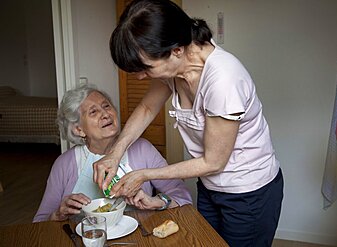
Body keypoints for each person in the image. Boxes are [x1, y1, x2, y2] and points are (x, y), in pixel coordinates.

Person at [94, 0, 283, 246]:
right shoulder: (175, 69)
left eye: (146, 68)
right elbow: (147, 107)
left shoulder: (223, 80)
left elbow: (213, 162)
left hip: (249, 192)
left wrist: (143, 175)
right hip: (210, 186)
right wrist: (114, 154)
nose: (140, 76)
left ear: (177, 50)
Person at [33, 84, 192, 222]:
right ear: (79, 129)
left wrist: (156, 201)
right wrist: (58, 214)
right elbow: (40, 221)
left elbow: (183, 197)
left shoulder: (143, 149)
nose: (105, 114)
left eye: (106, 106)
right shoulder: (64, 163)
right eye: (93, 112)